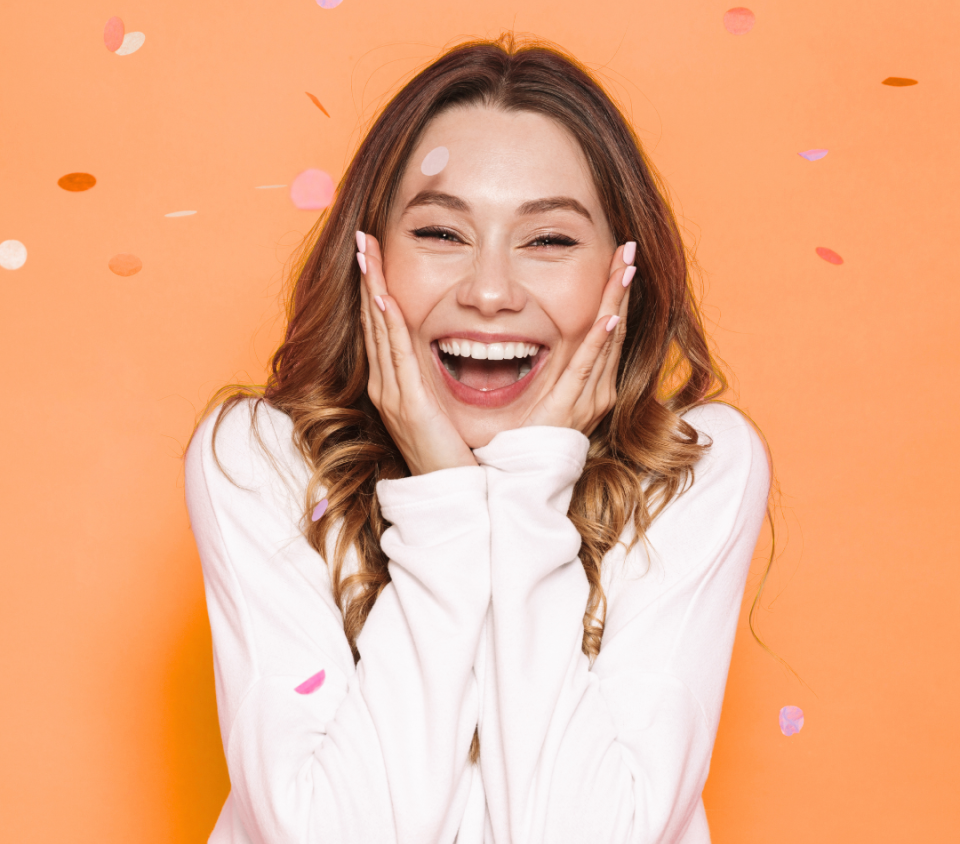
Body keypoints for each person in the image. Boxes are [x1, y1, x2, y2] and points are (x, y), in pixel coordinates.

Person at [184, 33, 773, 844]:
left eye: (550, 240)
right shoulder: (262, 463)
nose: (490, 292)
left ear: (622, 275)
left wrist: (529, 492)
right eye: (440, 234)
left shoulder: (695, 472)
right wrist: (448, 501)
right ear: (370, 260)